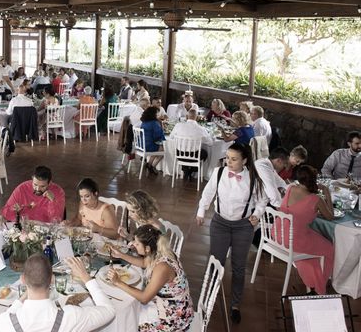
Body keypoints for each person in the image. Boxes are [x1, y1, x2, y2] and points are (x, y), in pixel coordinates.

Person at [196, 142, 267, 323]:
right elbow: (208, 192)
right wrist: (201, 212)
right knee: (215, 261)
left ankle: (235, 304)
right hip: (220, 224)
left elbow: (262, 200)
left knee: (238, 266)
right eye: (227, 157)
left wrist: (257, 214)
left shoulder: (254, 179)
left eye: (234, 159)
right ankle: (208, 298)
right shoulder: (219, 173)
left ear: (244, 160)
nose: (229, 161)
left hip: (243, 227)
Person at [0, 254, 114, 332]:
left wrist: (23, 297)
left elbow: (9, 313)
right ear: (52, 280)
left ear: (22, 280)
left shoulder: (6, 322)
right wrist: (85, 276)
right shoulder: (71, 316)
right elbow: (109, 311)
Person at [107, 225, 194, 332]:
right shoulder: (160, 250)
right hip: (171, 306)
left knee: (129, 325)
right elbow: (144, 263)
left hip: (175, 318)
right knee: (130, 314)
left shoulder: (162, 268)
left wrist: (118, 282)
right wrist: (121, 255)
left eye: (137, 243)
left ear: (147, 249)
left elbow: (144, 298)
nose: (134, 244)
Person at [278, 165, 334, 294]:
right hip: (294, 240)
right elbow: (330, 216)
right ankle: (320, 285)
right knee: (329, 248)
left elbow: (297, 211)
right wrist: (327, 192)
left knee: (315, 244)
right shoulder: (315, 199)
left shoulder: (291, 188)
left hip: (279, 233)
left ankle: (312, 283)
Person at [1, 166, 65, 223]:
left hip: (45, 228)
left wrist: (53, 201)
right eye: (35, 184)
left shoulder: (58, 192)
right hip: (24, 226)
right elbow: (5, 213)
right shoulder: (22, 188)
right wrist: (13, 209)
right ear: (32, 179)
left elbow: (57, 220)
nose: (37, 189)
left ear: (49, 183)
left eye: (42, 186)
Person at [169, 108, 212, 181]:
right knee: (204, 153)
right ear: (197, 117)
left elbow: (171, 137)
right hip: (194, 156)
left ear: (186, 116)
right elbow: (210, 143)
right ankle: (191, 170)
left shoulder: (178, 125)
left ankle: (186, 170)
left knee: (184, 151)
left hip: (180, 155)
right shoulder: (201, 129)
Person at [139, 106, 166, 174]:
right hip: (148, 146)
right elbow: (159, 136)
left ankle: (149, 164)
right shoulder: (154, 123)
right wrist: (162, 126)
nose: (158, 115)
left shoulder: (144, 122)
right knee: (162, 149)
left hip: (142, 145)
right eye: (157, 114)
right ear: (153, 114)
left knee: (159, 146)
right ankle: (152, 166)